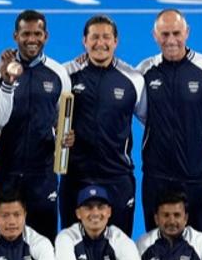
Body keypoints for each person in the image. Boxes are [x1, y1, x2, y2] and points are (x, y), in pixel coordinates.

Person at [136, 9, 202, 236]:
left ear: (187, 32)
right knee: (155, 248)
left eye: (176, 33)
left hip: (197, 175)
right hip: (156, 176)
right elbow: (136, 110)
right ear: (155, 35)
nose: (171, 40)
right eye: (164, 34)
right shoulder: (144, 70)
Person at [59, 15, 145, 235]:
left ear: (116, 41)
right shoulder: (66, 74)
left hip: (117, 176)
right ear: (84, 41)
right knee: (72, 246)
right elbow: (48, 116)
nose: (100, 43)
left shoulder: (133, 79)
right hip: (76, 176)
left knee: (120, 247)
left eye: (106, 37)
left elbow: (151, 121)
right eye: (94, 37)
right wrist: (58, 136)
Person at [0, 10, 71, 237]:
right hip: (6, 171)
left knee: (45, 238)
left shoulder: (58, 73)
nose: (32, 39)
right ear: (15, 36)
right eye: (26, 34)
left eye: (38, 33)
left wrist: (64, 137)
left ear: (46, 36)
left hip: (42, 173)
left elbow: (61, 117)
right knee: (1, 239)